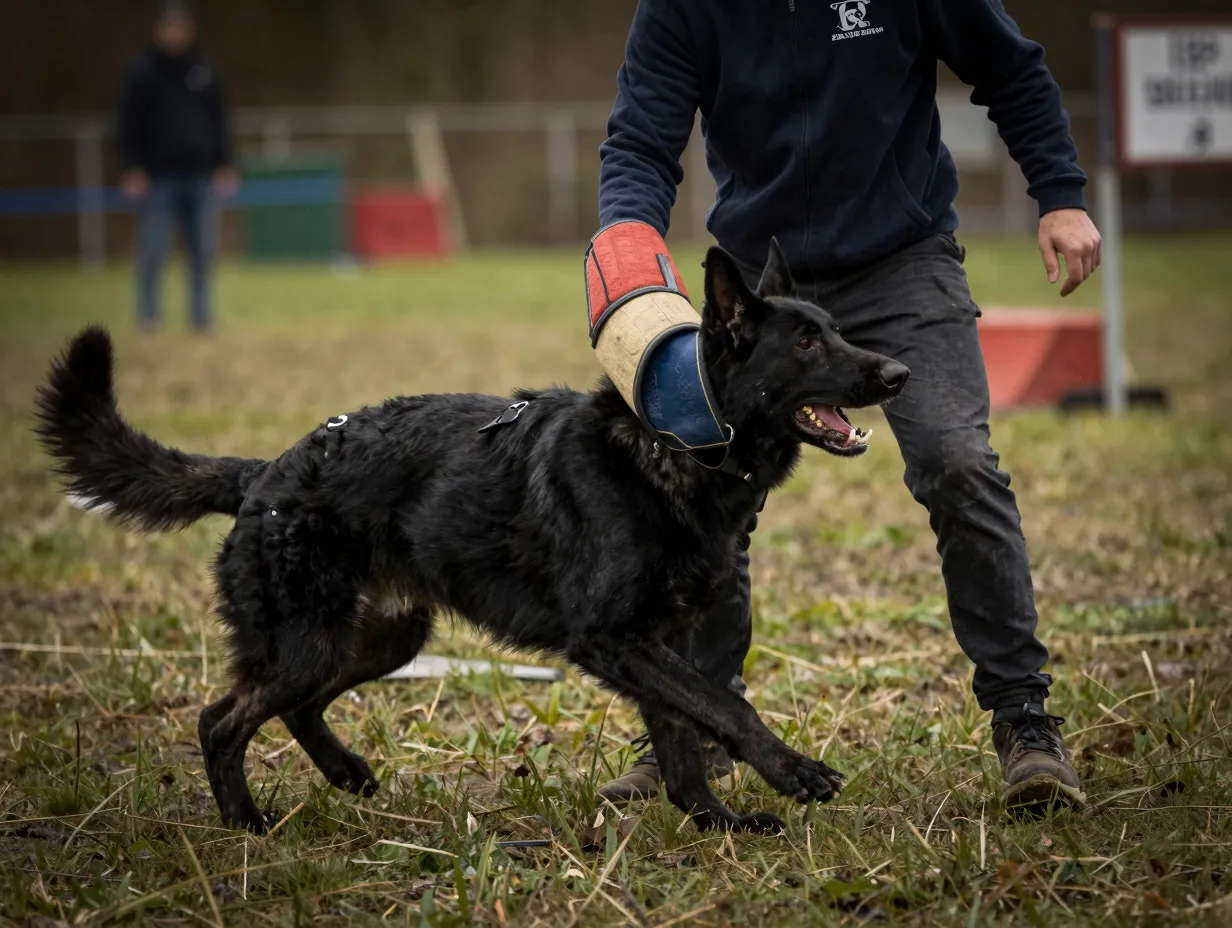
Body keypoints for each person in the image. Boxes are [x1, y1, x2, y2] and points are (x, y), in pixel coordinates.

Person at [591, 0, 1101, 813]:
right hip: (765, 284)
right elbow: (642, 138)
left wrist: (1061, 194)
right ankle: (693, 731)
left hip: (901, 260)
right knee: (703, 496)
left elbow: (1012, 68)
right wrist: (625, 238)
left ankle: (1025, 724)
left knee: (957, 463)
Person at [117, 0, 236, 333]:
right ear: (158, 30)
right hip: (157, 177)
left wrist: (225, 163)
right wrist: (132, 167)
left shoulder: (205, 70)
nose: (175, 33)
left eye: (181, 26)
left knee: (203, 251)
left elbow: (220, 120)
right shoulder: (141, 72)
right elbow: (128, 123)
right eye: (169, 26)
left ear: (190, 29)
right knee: (154, 250)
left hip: (200, 175)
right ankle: (149, 317)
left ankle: (201, 317)